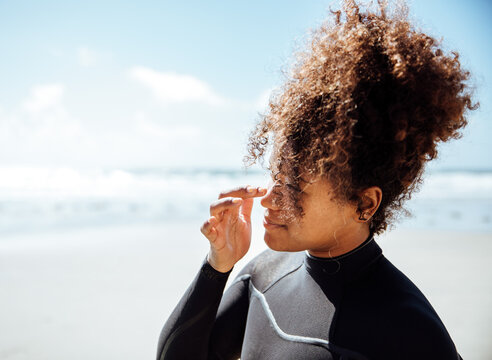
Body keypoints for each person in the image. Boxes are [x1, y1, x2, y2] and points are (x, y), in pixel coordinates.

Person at [157, 0, 477, 359]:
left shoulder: (411, 331)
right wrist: (218, 265)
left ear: (364, 203)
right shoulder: (262, 276)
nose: (268, 199)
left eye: (294, 187)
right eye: (277, 176)